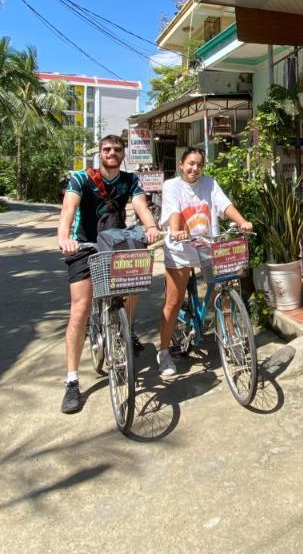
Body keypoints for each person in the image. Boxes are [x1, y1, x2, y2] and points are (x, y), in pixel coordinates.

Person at [57, 133, 161, 414]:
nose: (112, 153)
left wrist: (150, 226)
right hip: (84, 245)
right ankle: (72, 380)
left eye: (117, 149)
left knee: (135, 281)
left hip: (115, 242)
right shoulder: (81, 178)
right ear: (99, 153)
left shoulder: (130, 180)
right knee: (80, 309)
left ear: (123, 153)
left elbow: (140, 206)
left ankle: (124, 328)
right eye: (107, 149)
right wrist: (64, 236)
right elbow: (69, 208)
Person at [158, 146, 253, 379]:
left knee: (225, 294)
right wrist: (176, 230)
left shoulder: (209, 183)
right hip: (180, 249)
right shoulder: (171, 185)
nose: (195, 168)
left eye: (199, 164)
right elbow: (173, 210)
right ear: (181, 164)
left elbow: (224, 205)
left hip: (209, 246)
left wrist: (242, 221)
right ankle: (163, 352)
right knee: (174, 300)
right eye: (191, 163)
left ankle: (231, 340)